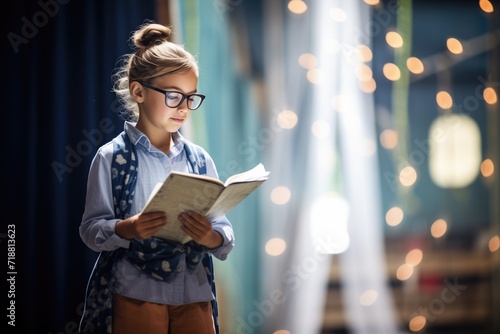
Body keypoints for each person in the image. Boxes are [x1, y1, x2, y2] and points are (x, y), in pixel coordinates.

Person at [79, 21, 235, 334]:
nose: (185, 108)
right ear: (138, 91)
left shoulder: (200, 159)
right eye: (174, 96)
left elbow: (222, 228)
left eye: (191, 97)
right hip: (136, 291)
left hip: (195, 292)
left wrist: (210, 236)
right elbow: (91, 229)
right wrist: (127, 228)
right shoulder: (112, 157)